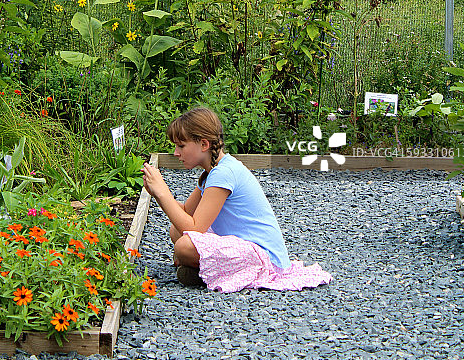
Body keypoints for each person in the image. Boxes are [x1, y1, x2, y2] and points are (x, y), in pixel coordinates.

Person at [141, 106, 333, 293]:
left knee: (184, 246)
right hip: (245, 247)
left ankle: (209, 273)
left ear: (204, 144)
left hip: (264, 257)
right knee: (177, 231)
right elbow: (184, 215)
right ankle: (207, 273)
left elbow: (193, 228)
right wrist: (157, 193)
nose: (176, 153)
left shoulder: (224, 173)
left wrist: (163, 193)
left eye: (181, 146)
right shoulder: (212, 172)